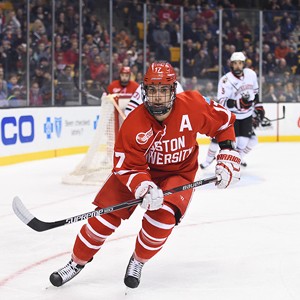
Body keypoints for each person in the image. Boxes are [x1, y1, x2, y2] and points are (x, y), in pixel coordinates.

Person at [49, 61, 241, 289]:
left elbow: (223, 123)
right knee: (101, 220)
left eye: (163, 90)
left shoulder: (193, 106)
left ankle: (138, 261)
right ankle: (76, 262)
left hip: (178, 173)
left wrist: (228, 152)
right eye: (152, 90)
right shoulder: (133, 124)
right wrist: (143, 186)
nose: (158, 96)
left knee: (162, 220)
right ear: (145, 91)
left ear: (173, 90)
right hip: (140, 171)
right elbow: (125, 166)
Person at [200, 52, 264, 168]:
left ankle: (237, 159)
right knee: (218, 140)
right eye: (235, 63)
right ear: (231, 64)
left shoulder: (251, 74)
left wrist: (259, 107)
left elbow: (255, 93)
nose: (238, 66)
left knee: (243, 143)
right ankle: (208, 160)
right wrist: (238, 103)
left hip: (247, 116)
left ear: (244, 64)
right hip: (231, 116)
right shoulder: (225, 80)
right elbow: (223, 101)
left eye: (240, 63)